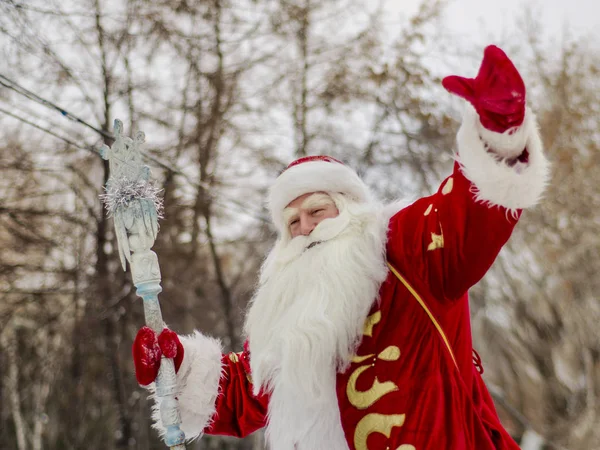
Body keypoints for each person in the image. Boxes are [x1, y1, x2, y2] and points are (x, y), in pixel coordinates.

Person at [132, 45, 549, 450]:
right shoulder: (291, 311)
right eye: (292, 222)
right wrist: (179, 365)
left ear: (351, 210)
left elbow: (467, 219)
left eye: (317, 211)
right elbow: (249, 391)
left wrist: (499, 133)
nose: (306, 228)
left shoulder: (406, 249)